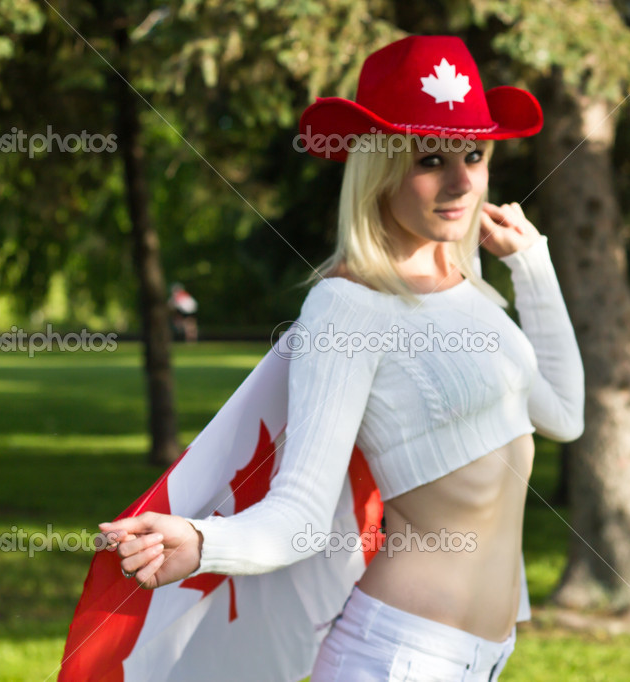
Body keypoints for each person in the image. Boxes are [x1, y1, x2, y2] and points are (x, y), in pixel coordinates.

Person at [99, 35, 584, 681]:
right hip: (399, 656)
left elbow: (565, 416)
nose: (462, 181)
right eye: (430, 158)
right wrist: (203, 542)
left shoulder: (471, 291)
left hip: (487, 655)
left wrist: (532, 265)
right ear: (378, 169)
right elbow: (300, 510)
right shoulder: (346, 307)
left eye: (474, 153)